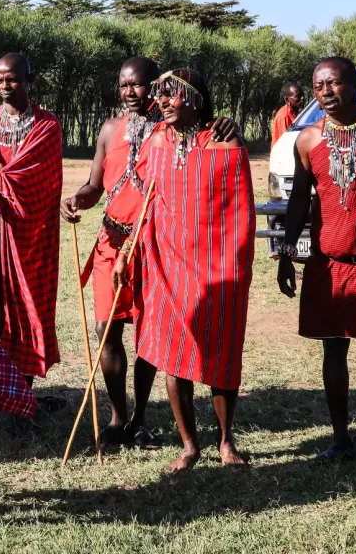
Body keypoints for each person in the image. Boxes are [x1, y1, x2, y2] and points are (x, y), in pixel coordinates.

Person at [61, 57, 241, 448]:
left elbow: (208, 137)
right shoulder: (110, 129)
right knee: (106, 328)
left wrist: (229, 124)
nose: (130, 92)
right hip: (112, 241)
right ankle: (117, 416)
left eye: (139, 85)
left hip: (155, 244)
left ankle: (141, 418)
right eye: (124, 85)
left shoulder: (172, 129)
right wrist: (77, 199)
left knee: (151, 334)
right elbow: (95, 186)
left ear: (157, 88)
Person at [113, 68, 254, 472]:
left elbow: (241, 208)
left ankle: (226, 441)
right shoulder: (158, 139)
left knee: (221, 352)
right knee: (175, 354)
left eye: (172, 95)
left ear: (195, 98)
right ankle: (190, 444)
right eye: (160, 95)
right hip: (167, 264)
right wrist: (126, 251)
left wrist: (237, 265)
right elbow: (146, 205)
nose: (163, 102)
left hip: (218, 265)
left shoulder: (224, 139)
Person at [278, 58, 356, 468]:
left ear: (355, 86)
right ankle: (341, 438)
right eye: (318, 85)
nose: (325, 91)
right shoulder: (308, 140)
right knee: (333, 352)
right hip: (329, 265)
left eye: (334, 83)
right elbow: (299, 200)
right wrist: (288, 252)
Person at [0, 52, 62, 429]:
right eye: (0, 79)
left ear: (28, 79)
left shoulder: (47, 125)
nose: (6, 86)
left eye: (13, 79)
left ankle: (21, 405)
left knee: (26, 313)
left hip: (28, 237)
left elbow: (41, 182)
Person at [272, 81, 305, 146]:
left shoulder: (299, 112)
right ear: (287, 100)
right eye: (298, 96)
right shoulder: (283, 116)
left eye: (302, 95)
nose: (302, 98)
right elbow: (284, 143)